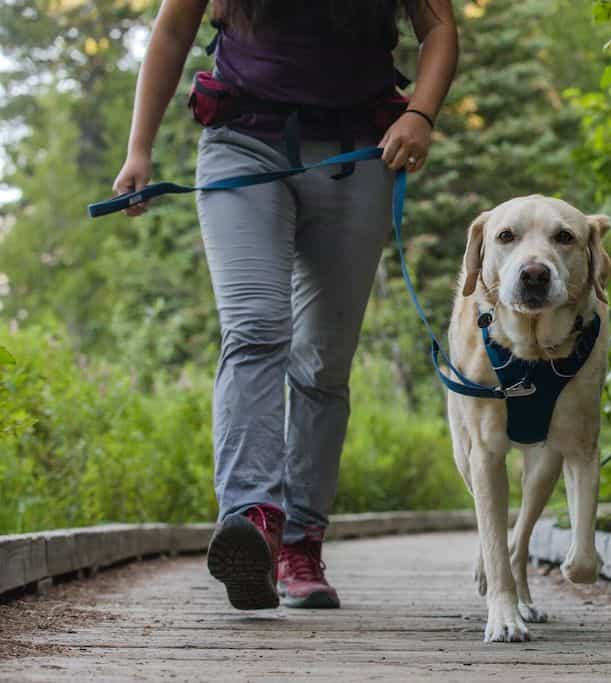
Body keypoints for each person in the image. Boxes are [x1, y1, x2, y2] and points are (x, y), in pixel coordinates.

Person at [112, 0, 458, 610]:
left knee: (324, 360)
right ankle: (254, 519)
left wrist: (422, 114)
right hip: (242, 145)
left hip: (357, 155)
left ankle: (301, 541)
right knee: (254, 327)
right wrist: (138, 148)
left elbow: (438, 29)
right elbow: (172, 27)